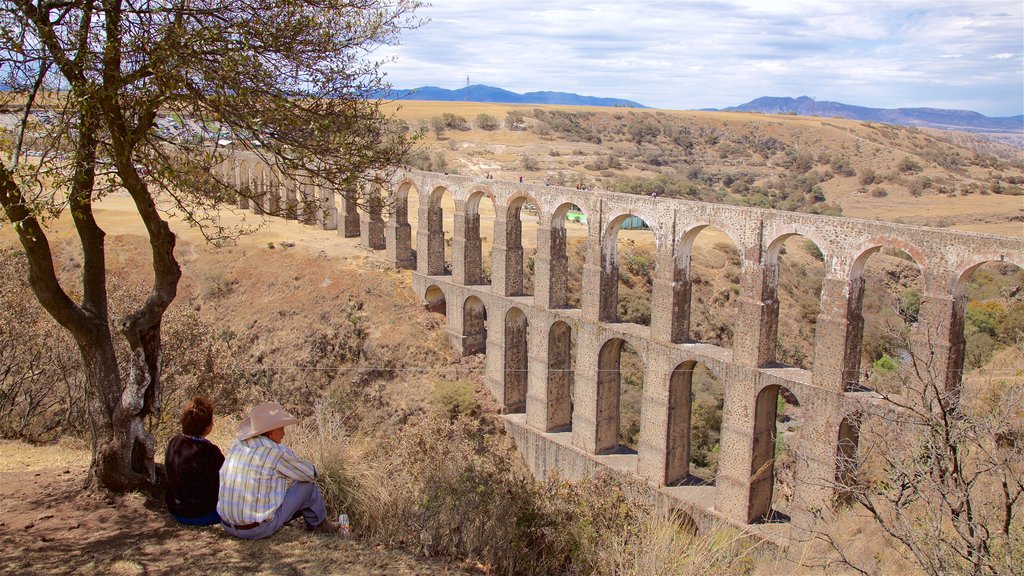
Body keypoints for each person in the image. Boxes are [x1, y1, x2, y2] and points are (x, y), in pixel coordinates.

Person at [218, 402, 340, 539]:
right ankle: (320, 524)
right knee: (307, 486)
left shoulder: (238, 444)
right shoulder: (277, 452)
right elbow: (310, 474)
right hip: (257, 530)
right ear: (271, 433)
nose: (284, 433)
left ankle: (315, 522)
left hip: (227, 525)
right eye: (281, 428)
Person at [164, 396, 225, 526]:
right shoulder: (210, 452)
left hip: (175, 511)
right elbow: (225, 482)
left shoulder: (174, 442)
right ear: (207, 427)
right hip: (203, 514)